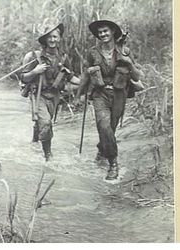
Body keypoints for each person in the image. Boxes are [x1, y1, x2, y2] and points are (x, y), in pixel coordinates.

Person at [75, 20, 142, 180]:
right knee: (104, 126)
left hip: (119, 95)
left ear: (112, 32)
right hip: (100, 95)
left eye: (105, 31)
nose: (103, 34)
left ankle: (101, 148)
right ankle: (113, 164)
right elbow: (85, 75)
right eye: (100, 32)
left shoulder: (125, 51)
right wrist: (79, 95)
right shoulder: (92, 52)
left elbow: (136, 76)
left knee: (110, 129)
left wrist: (129, 63)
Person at [19, 22, 80, 161]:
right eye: (49, 37)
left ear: (59, 38)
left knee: (44, 122)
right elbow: (24, 78)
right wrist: (35, 71)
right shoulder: (34, 56)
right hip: (38, 94)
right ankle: (48, 155)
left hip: (55, 96)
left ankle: (35, 138)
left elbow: (70, 77)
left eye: (55, 37)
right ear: (45, 39)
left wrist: (85, 83)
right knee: (46, 123)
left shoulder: (63, 58)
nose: (52, 40)